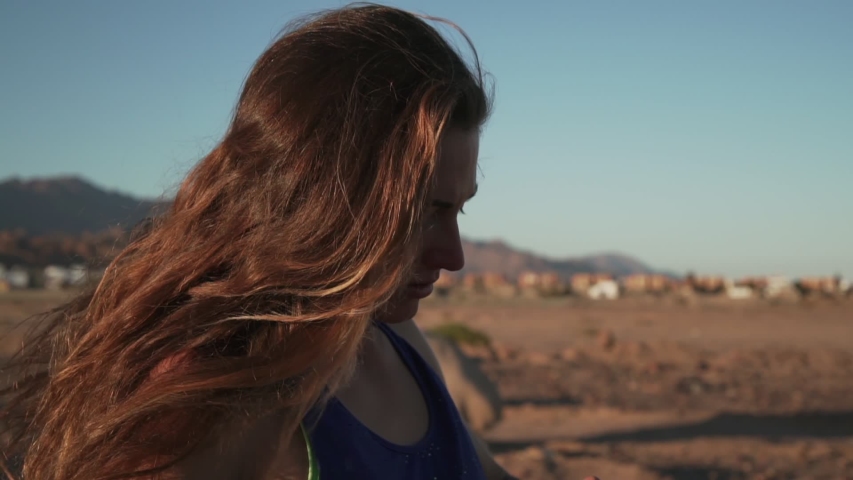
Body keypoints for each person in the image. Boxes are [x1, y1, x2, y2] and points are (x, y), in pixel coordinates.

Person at [1, 5, 599, 480]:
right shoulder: (213, 402)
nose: (454, 256)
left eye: (458, 211)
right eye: (422, 214)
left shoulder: (395, 336)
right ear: (317, 203)